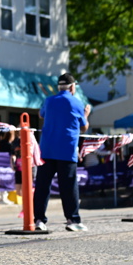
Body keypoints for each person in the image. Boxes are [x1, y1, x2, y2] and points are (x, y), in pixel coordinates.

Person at [33, 73, 91, 232]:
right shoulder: (76, 102)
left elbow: (41, 115)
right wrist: (86, 114)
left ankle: (39, 220)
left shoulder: (49, 100)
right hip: (66, 149)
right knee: (69, 186)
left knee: (42, 186)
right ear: (72, 87)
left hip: (47, 149)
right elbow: (84, 127)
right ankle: (72, 220)